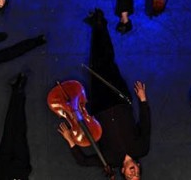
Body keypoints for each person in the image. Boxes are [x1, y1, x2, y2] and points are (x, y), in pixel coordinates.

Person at [58, 9, 150, 179]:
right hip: (120, 100)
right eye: (137, 174)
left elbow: (83, 161)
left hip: (100, 108)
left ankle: (96, 26)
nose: (134, 173)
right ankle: (101, 24)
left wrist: (70, 139)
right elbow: (145, 125)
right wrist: (142, 99)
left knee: (95, 66)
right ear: (138, 167)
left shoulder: (109, 161)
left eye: (130, 178)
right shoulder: (142, 149)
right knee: (108, 62)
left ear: (123, 172)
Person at [0, 73, 32, 179]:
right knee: (18, 132)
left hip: (3, 171)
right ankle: (17, 92)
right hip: (19, 172)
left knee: (9, 130)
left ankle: (18, 92)